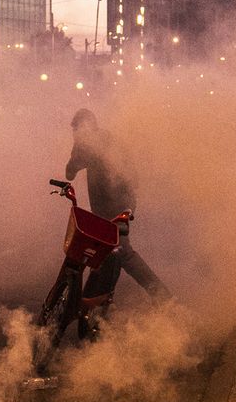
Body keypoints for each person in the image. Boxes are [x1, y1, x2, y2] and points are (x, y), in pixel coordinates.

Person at [64, 108, 168, 300]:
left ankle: (162, 296)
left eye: (76, 129)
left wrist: (77, 147)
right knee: (107, 252)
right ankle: (95, 303)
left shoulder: (88, 143)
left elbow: (70, 171)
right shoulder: (107, 137)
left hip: (112, 204)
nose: (75, 134)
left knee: (122, 253)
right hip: (122, 201)